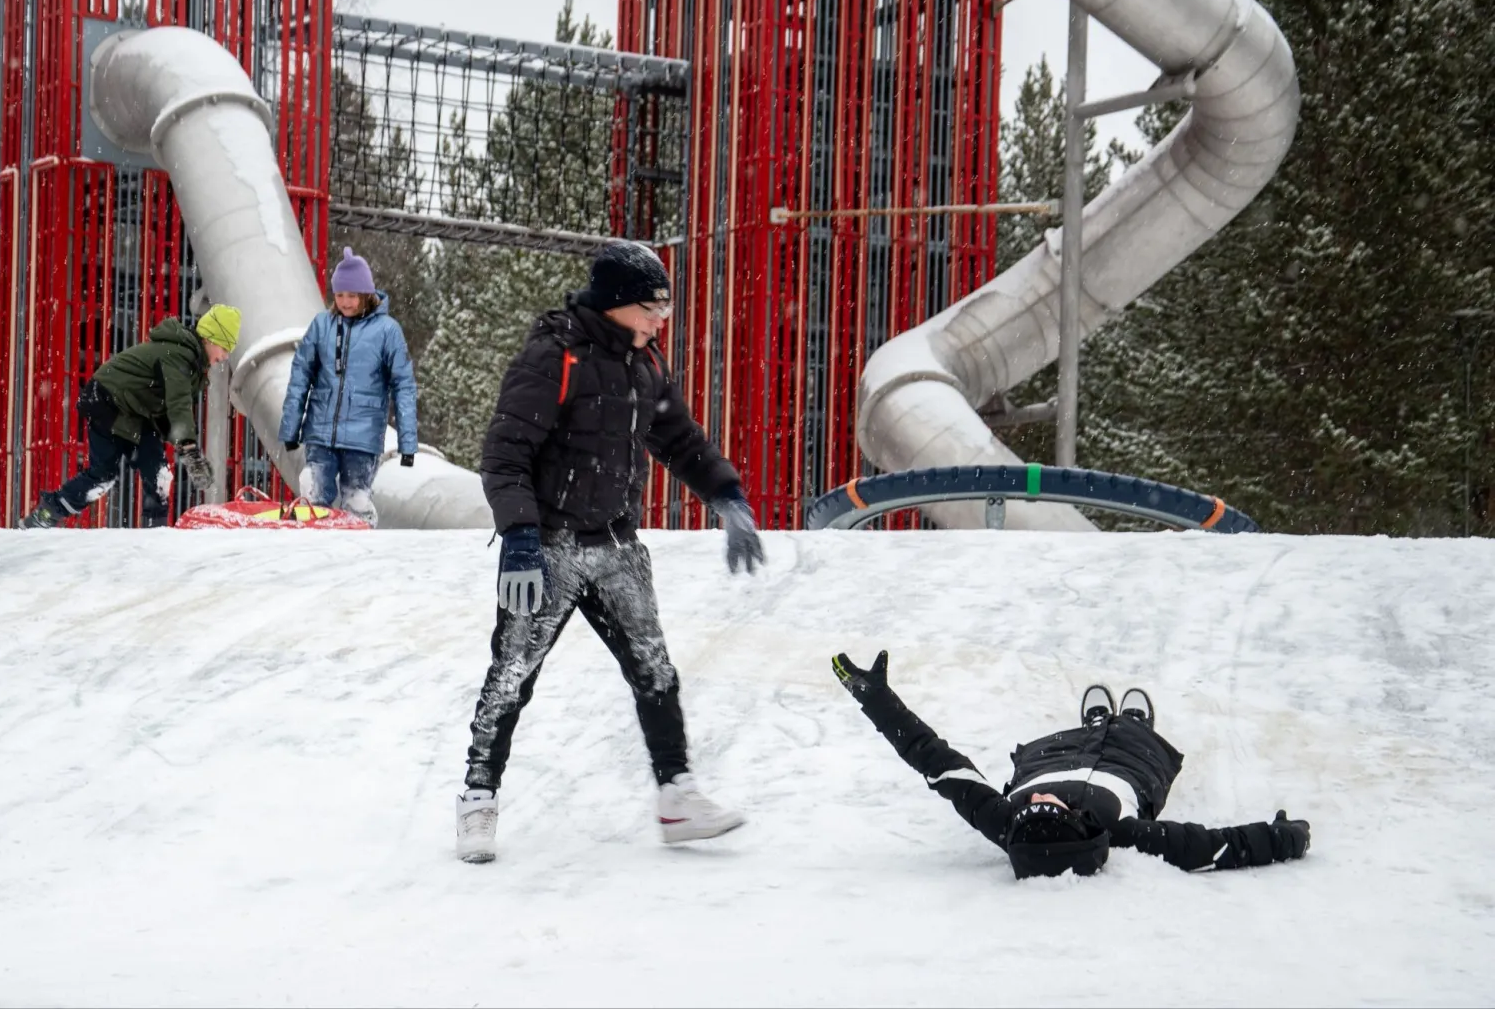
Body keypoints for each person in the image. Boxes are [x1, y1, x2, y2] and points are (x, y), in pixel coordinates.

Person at [455, 240, 767, 863]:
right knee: (513, 674)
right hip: (546, 549)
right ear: (619, 304)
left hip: (618, 546)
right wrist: (518, 539)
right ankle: (478, 797)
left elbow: (680, 441)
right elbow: (506, 454)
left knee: (655, 669)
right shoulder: (555, 357)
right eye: (654, 307)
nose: (661, 320)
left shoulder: (643, 364)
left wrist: (728, 497)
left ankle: (677, 795)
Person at [830, 650, 1313, 878]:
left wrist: (876, 699)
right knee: (1135, 738)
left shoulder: (1004, 822)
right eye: (1047, 804)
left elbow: (936, 761)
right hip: (1130, 764)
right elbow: (1214, 847)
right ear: (1075, 821)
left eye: (1032, 804)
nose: (1040, 799)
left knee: (1069, 742)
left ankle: (1098, 721)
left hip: (1049, 755)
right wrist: (1286, 837)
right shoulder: (1124, 833)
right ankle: (1129, 723)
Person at [20, 305, 240, 528]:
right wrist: (190, 452)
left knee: (156, 475)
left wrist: (185, 448)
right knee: (107, 474)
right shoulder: (180, 356)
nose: (224, 357)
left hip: (132, 411)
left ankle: (155, 533)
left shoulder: (189, 360)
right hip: (107, 401)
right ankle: (46, 515)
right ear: (210, 339)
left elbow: (167, 414)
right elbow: (178, 406)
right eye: (224, 347)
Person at [277, 247, 419, 525]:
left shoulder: (387, 331)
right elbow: (300, 377)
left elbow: (404, 385)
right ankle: (315, 556)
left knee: (356, 502)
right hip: (320, 433)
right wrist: (291, 428)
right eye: (340, 295)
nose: (345, 302)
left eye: (352, 295)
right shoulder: (321, 326)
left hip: (363, 438)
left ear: (366, 295)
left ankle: (358, 553)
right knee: (313, 497)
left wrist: (408, 442)